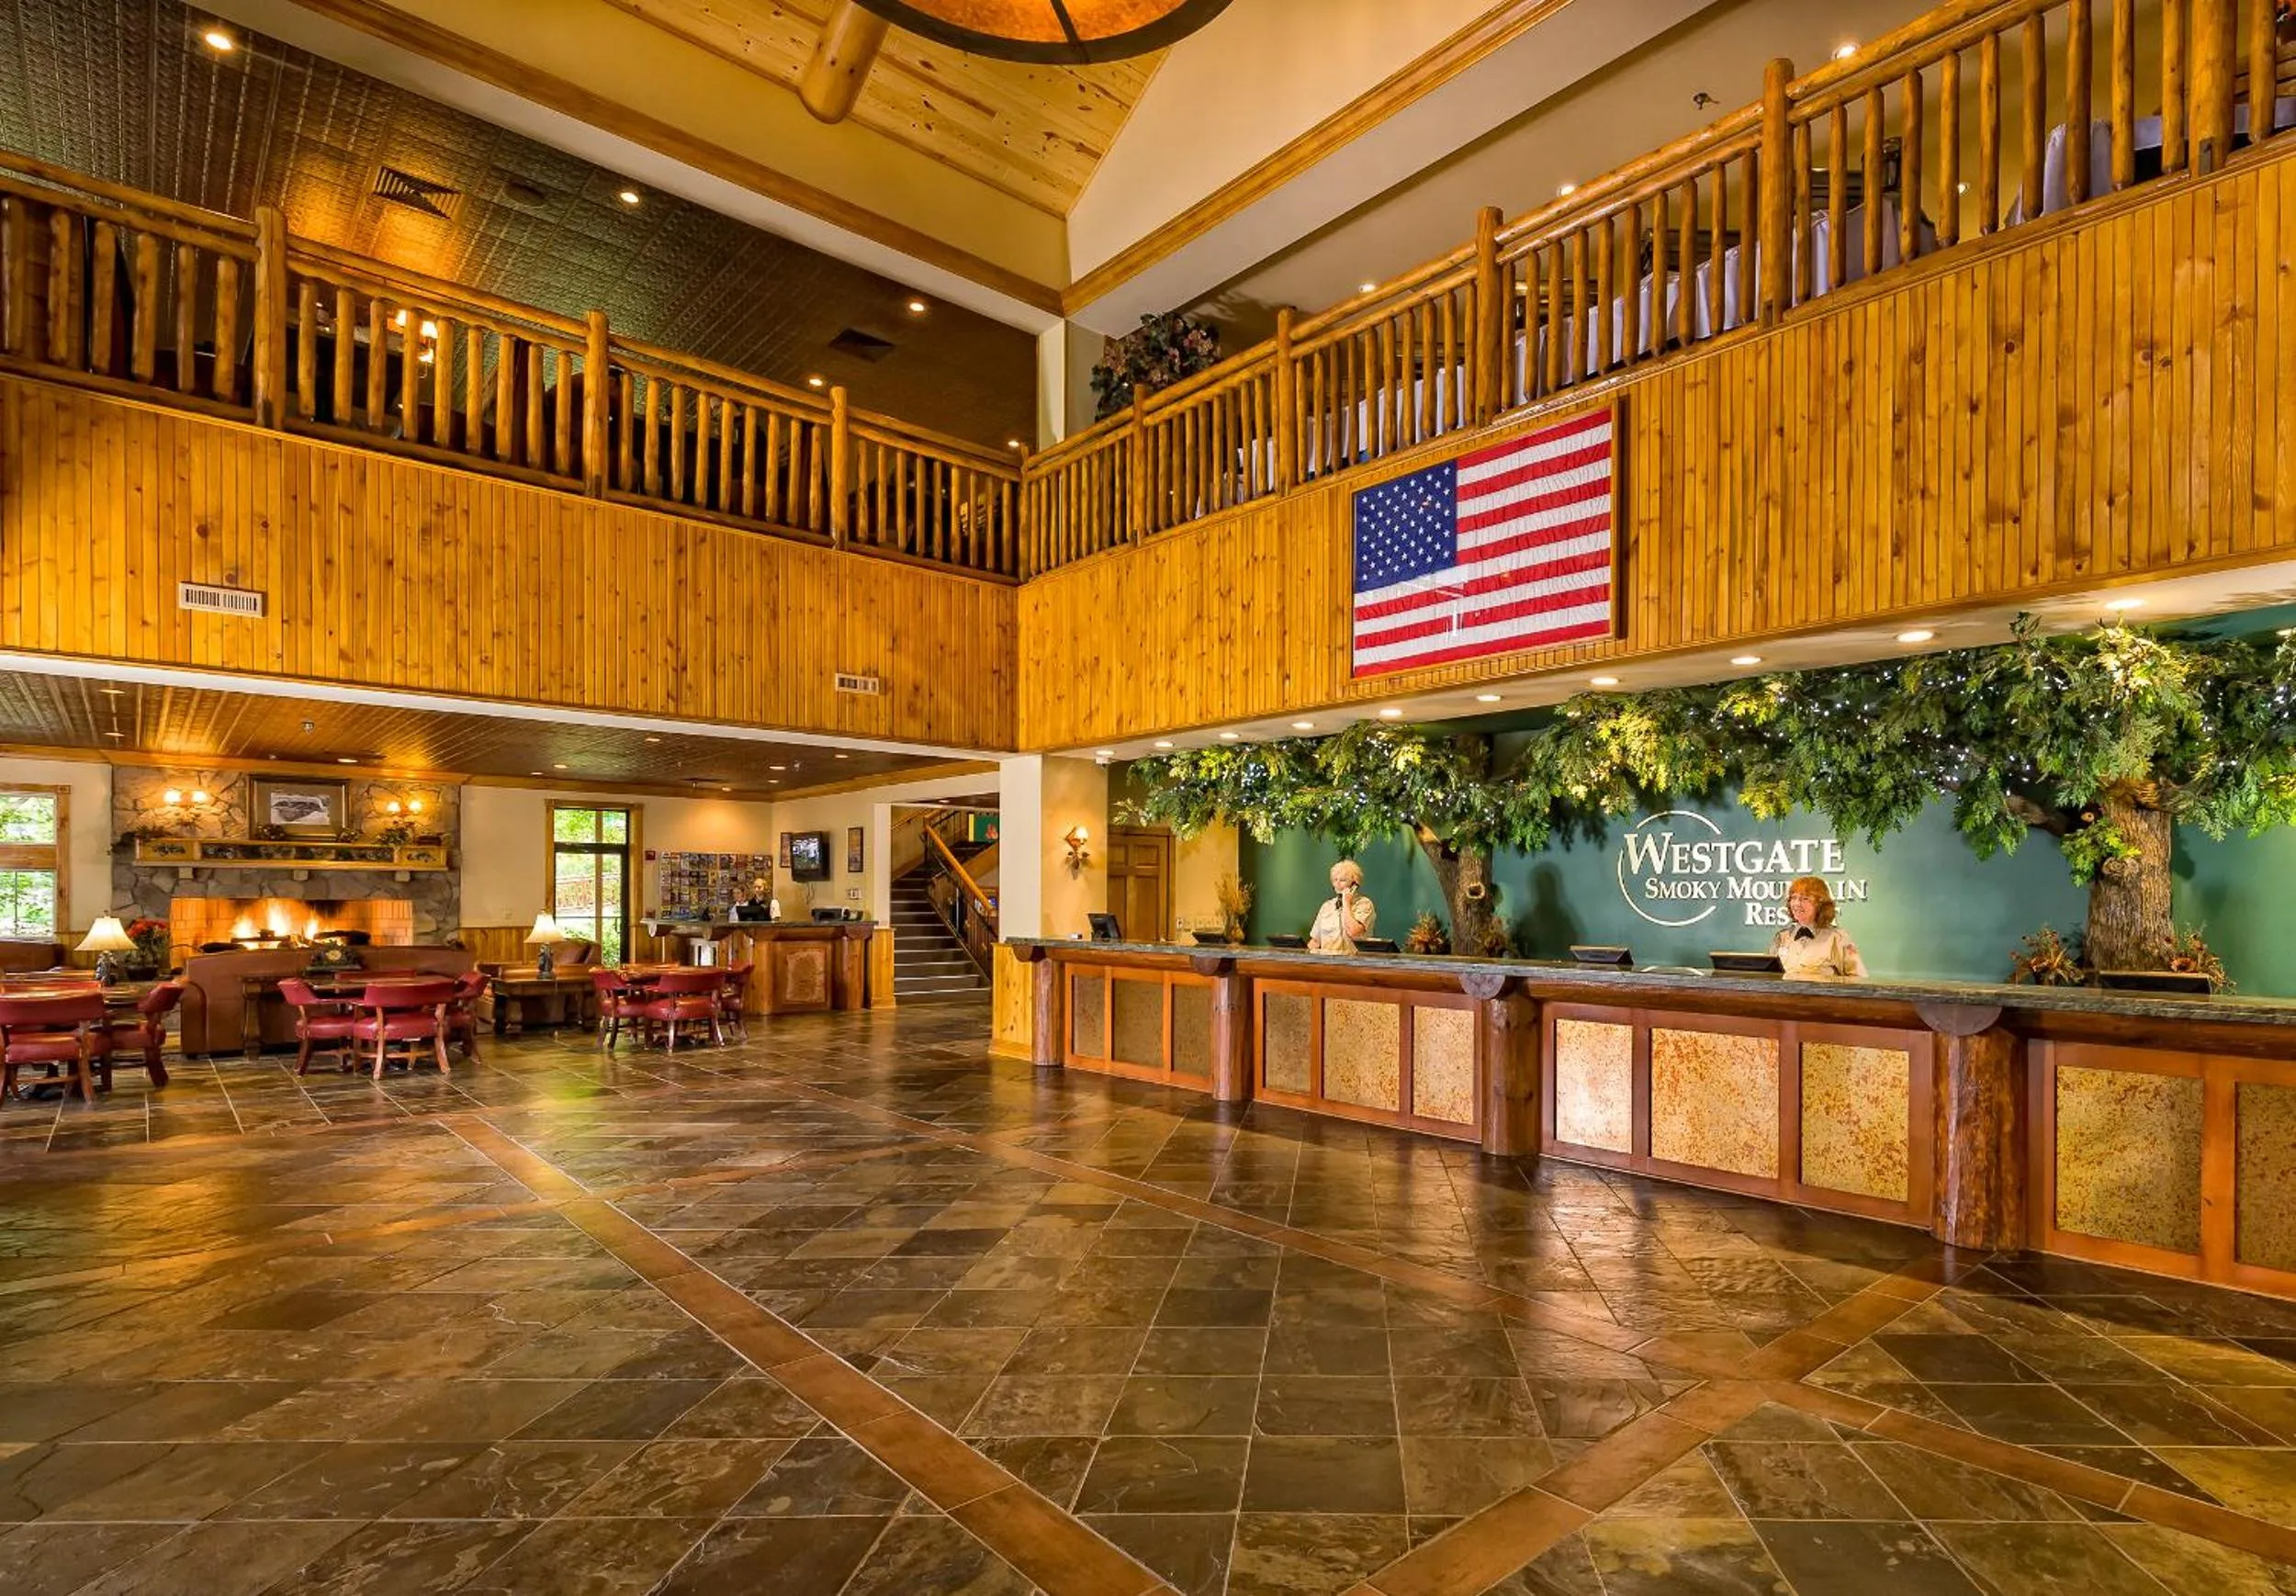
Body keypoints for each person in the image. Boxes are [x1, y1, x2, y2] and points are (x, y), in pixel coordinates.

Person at [1770, 875, 1867, 977]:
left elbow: (1859, 979)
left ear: (1820, 904)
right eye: (1794, 898)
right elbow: (1768, 975)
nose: (1797, 903)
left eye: (1805, 899)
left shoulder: (1838, 938)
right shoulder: (1782, 937)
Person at [1307, 860, 1376, 953]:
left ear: (1354, 884)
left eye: (1343, 880)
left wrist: (1346, 903)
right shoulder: (1327, 906)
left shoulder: (1364, 904)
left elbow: (1353, 932)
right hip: (1325, 962)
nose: (1338, 883)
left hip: (1353, 963)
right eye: (1335, 880)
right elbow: (1315, 940)